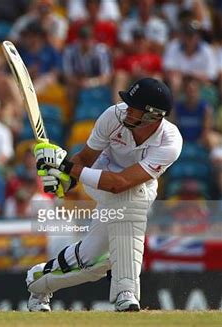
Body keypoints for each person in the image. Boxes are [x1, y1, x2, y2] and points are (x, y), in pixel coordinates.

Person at [25, 78, 183, 312]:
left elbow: (121, 183)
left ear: (152, 115)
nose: (126, 110)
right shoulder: (113, 116)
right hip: (100, 175)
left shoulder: (170, 142)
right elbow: (85, 159)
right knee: (132, 199)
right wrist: (63, 180)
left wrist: (67, 168)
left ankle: (38, 281)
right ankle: (125, 292)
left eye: (133, 108)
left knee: (92, 261)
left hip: (133, 187)